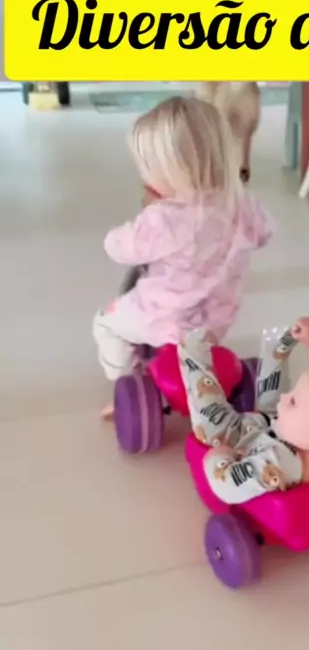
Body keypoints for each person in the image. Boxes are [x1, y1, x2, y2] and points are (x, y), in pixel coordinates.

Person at [93, 96, 274, 419]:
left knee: (106, 324)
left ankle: (128, 384)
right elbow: (263, 234)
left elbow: (118, 248)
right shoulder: (243, 203)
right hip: (216, 320)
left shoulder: (163, 218)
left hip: (163, 316)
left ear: (168, 172)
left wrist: (141, 217)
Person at [178, 317, 309, 504]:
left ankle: (192, 350)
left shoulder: (281, 464)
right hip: (279, 427)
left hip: (240, 438)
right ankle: (280, 346)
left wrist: (219, 458)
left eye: (293, 401)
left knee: (208, 415)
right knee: (276, 399)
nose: (285, 396)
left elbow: (229, 487)